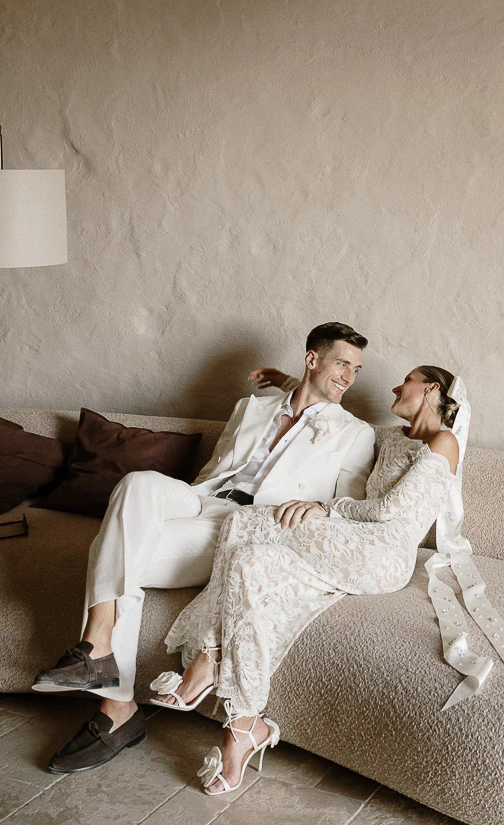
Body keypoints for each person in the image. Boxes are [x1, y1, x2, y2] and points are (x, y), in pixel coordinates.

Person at [33, 322, 376, 773]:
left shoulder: (354, 433)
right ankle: (98, 648)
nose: (349, 376)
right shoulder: (252, 407)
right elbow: (217, 470)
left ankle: (113, 707)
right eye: (341, 363)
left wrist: (317, 506)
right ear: (312, 359)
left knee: (114, 553)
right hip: (204, 501)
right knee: (136, 485)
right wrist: (189, 503)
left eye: (356, 369)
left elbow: (348, 505)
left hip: (249, 527)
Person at [156, 364, 462, 793]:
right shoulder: (389, 436)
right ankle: (244, 726)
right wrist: (286, 380)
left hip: (383, 553)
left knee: (246, 522)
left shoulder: (443, 442)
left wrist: (326, 507)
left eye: (406, 381)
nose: (395, 386)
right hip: (352, 541)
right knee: (249, 563)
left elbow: (390, 510)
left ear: (431, 389)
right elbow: (328, 407)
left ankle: (208, 656)